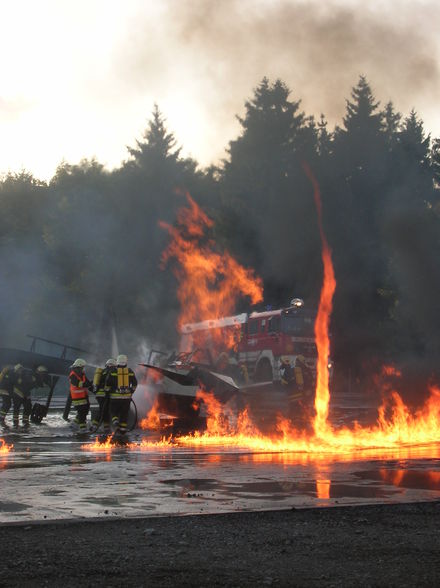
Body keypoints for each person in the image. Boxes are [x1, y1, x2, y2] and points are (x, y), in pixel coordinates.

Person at [107, 354, 137, 437]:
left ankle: (115, 422)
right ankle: (123, 430)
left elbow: (108, 384)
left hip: (114, 397)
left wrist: (107, 391)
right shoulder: (130, 371)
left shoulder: (113, 372)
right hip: (126, 398)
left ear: (117, 363)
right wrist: (131, 391)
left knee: (113, 411)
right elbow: (135, 383)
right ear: (126, 363)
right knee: (124, 413)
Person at [90, 358, 116, 433]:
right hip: (105, 395)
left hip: (99, 395)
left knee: (105, 410)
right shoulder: (112, 372)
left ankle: (106, 427)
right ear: (114, 365)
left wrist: (95, 391)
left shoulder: (101, 372)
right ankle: (94, 425)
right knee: (103, 410)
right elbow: (112, 383)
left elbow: (93, 384)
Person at [69, 358, 92, 433]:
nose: (83, 369)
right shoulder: (72, 375)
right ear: (78, 367)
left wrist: (92, 386)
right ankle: (83, 429)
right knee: (82, 412)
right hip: (77, 398)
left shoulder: (82, 374)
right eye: (82, 367)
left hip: (84, 396)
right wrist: (87, 385)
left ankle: (74, 424)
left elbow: (87, 383)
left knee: (85, 410)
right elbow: (78, 384)